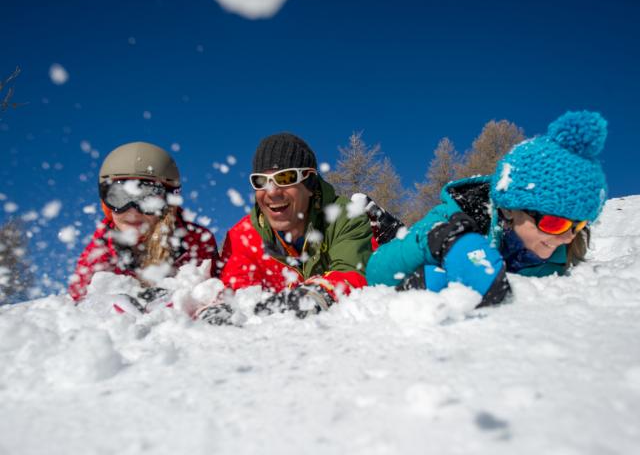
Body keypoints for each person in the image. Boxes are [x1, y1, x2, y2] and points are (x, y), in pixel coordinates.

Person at [366, 110, 608, 306]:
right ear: (511, 208)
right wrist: (435, 240)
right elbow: (376, 272)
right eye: (555, 222)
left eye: (579, 225)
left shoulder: (567, 252)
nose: (568, 237)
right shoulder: (457, 214)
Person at [200, 132, 373, 322]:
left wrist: (314, 295)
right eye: (261, 181)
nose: (272, 192)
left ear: (309, 184)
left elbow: (351, 273)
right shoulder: (242, 236)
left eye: (286, 178)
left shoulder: (344, 216)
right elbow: (238, 293)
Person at [69, 142, 219, 311]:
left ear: (168, 203)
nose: (132, 211)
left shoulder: (194, 241)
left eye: (148, 198)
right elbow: (77, 306)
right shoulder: (98, 253)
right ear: (106, 204)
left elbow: (210, 291)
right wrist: (104, 305)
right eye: (119, 197)